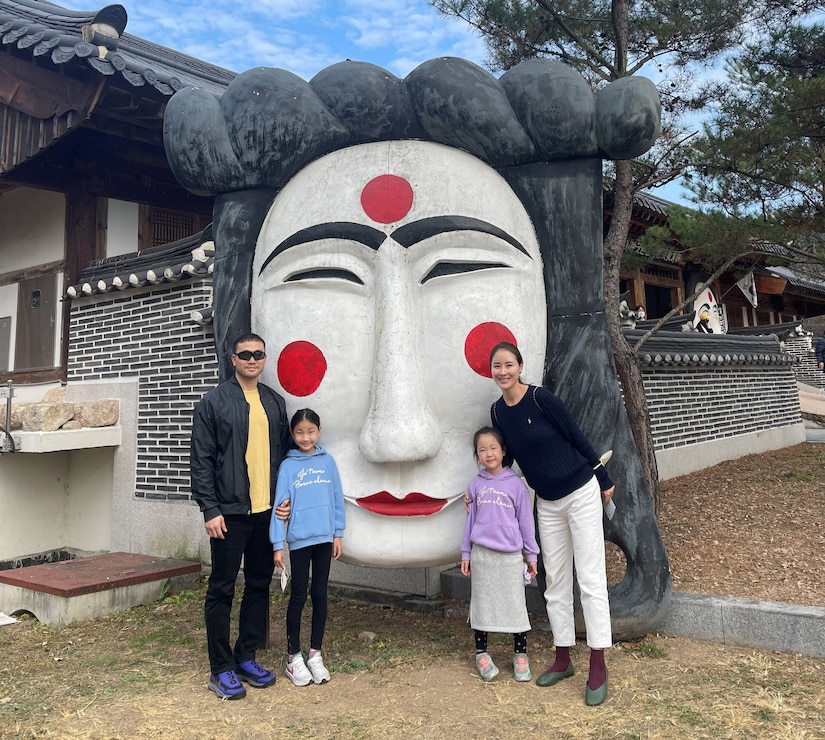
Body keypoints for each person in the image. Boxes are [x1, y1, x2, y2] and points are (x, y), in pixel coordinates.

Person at [488, 341, 615, 707]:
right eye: (497, 366)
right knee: (555, 579)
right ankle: (563, 657)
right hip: (546, 501)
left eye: (509, 364)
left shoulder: (542, 399)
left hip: (580, 492)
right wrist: (487, 485)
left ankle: (597, 661)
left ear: (520, 366)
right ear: (491, 371)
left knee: (590, 579)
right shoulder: (498, 412)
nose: (503, 372)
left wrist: (603, 479)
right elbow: (509, 457)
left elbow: (576, 436)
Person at [190, 333, 291, 700]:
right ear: (232, 359)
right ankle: (220, 668)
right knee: (221, 588)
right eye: (245, 354)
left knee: (259, 584)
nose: (252, 360)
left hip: (266, 512)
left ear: (265, 359)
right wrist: (210, 509)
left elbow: (283, 456)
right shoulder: (213, 403)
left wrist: (286, 498)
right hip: (230, 513)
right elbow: (201, 461)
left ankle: (246, 655)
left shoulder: (274, 403)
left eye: (258, 354)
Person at [270, 408, 346, 686]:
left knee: (320, 594)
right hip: (300, 541)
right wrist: (278, 544)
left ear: (319, 431)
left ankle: (315, 654)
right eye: (299, 432)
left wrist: (338, 532)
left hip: (325, 539)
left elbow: (337, 499)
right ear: (292, 434)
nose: (305, 437)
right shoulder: (288, 467)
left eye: (310, 431)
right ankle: (293, 658)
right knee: (299, 595)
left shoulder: (328, 463)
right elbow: (280, 506)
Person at [461, 426, 539, 682]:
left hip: (509, 557)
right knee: (482, 605)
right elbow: (470, 522)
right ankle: (481, 653)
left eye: (493, 447)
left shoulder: (516, 485)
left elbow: (526, 522)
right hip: (483, 556)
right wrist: (466, 553)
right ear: (477, 455)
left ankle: (520, 655)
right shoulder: (475, 485)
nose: (488, 453)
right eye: (482, 450)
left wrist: (532, 555)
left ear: (504, 451)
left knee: (516, 606)